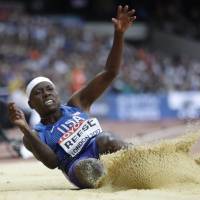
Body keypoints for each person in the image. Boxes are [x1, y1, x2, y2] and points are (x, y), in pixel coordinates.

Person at [8, 5, 136, 189]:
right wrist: (24, 128)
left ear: (57, 92)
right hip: (76, 166)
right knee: (87, 167)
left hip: (98, 146)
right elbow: (52, 162)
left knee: (107, 139)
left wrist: (119, 34)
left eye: (49, 89)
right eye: (38, 92)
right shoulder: (35, 135)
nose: (45, 93)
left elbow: (110, 72)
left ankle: (147, 163)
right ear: (31, 104)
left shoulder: (77, 103)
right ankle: (113, 179)